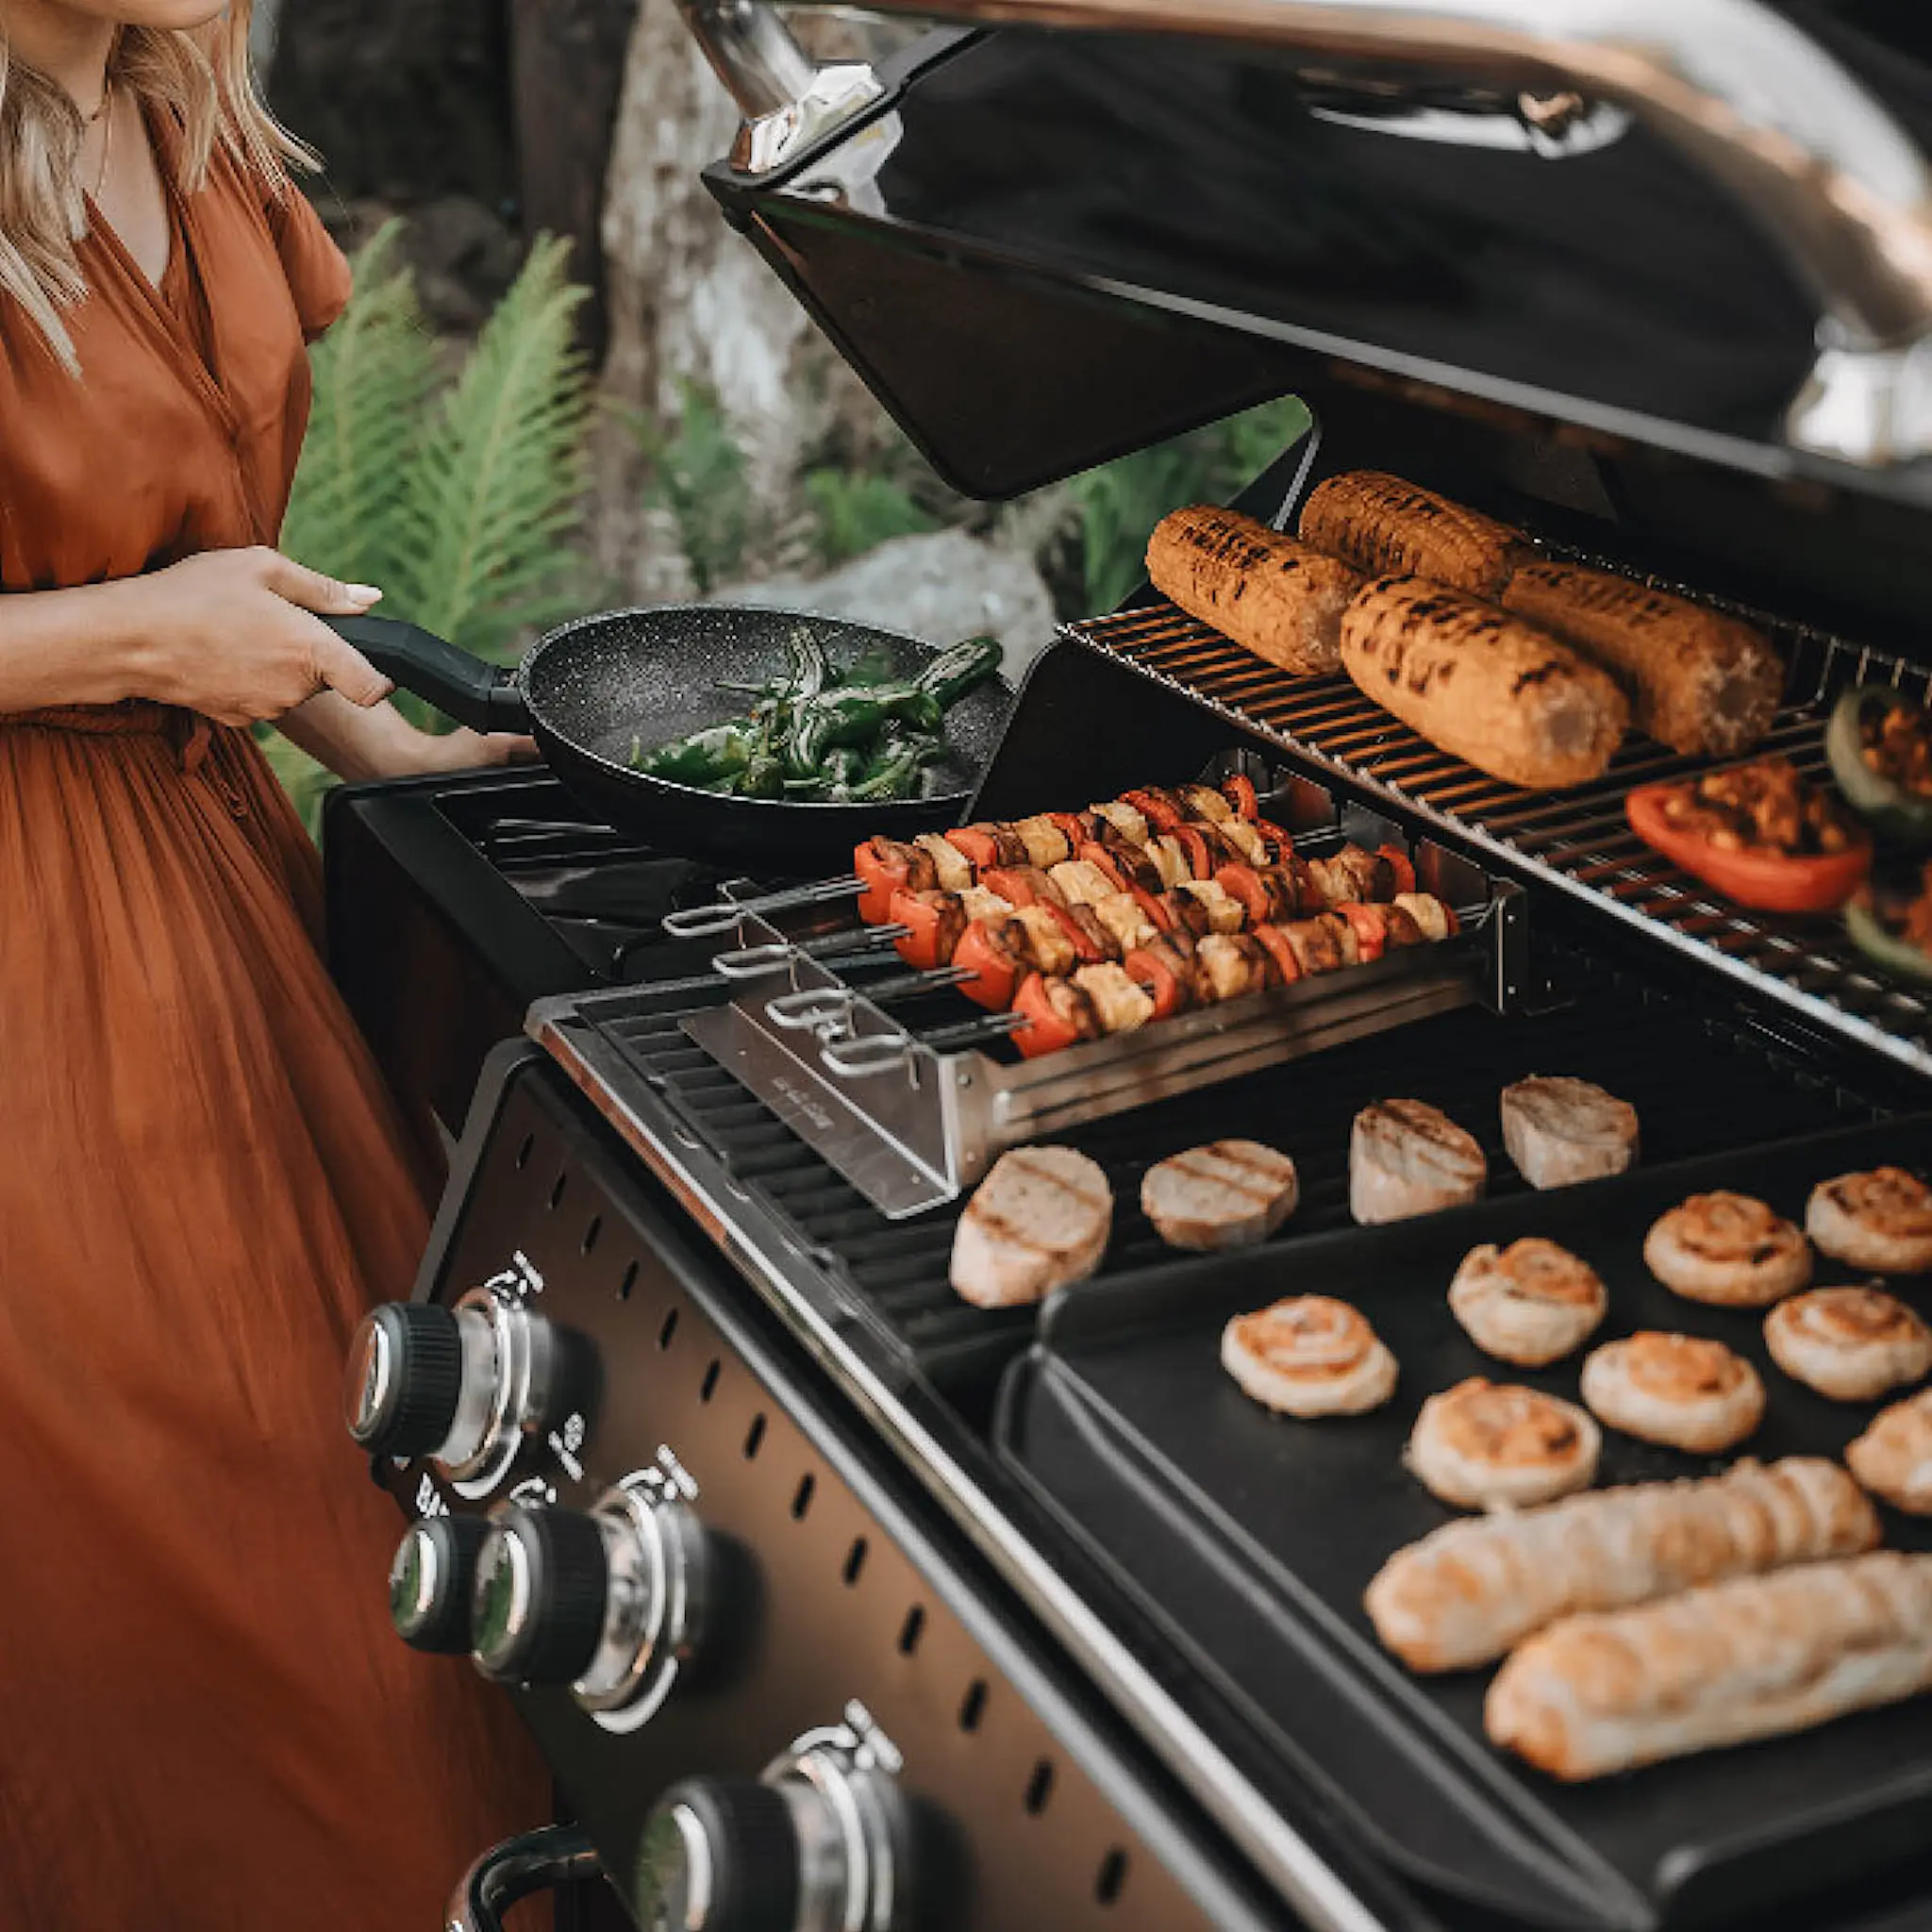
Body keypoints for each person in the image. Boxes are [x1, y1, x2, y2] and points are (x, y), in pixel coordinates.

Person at [0, 2, 549, 1924]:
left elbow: (213, 549)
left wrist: (367, 738)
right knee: (289, 1654)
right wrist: (145, 638)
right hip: (30, 1010)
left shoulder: (186, 92)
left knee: (428, 1537)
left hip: (220, 897)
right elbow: (153, 600)